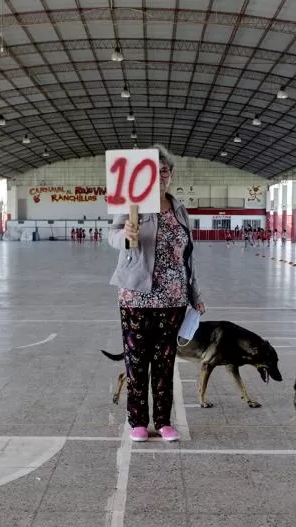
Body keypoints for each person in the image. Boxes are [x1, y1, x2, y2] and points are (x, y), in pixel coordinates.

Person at [108, 144, 206, 443]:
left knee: (164, 364)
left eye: (164, 171)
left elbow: (187, 255)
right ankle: (137, 421)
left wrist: (195, 294)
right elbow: (111, 235)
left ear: (170, 175)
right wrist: (126, 236)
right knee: (137, 362)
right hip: (136, 296)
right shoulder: (131, 204)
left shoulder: (179, 208)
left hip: (173, 299)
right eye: (154, 171)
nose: (160, 176)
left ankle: (163, 421)